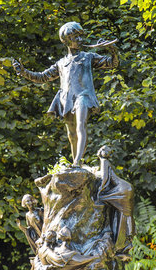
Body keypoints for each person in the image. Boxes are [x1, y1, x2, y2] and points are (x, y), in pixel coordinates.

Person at [13, 22, 119, 166]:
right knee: (71, 134)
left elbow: (112, 63)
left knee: (81, 125)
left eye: (80, 36)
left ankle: (76, 162)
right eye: (76, 37)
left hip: (83, 96)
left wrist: (113, 50)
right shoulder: (61, 63)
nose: (80, 40)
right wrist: (24, 72)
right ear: (66, 40)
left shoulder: (88, 57)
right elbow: (42, 77)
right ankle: (77, 165)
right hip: (67, 99)